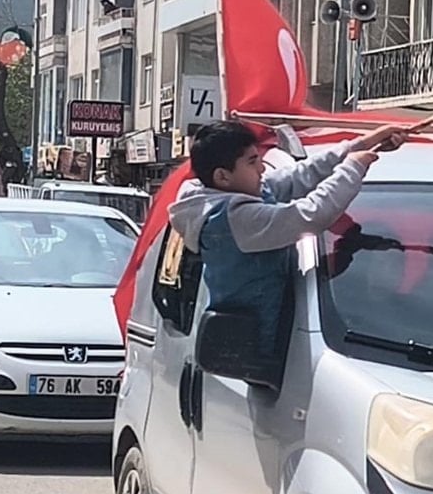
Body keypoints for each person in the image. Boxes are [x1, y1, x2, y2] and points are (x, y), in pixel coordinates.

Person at [168, 120, 408, 359]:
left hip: (281, 337)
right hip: (259, 354)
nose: (262, 169)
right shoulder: (234, 219)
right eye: (252, 162)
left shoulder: (235, 191)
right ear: (223, 176)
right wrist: (353, 168)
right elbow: (310, 215)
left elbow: (300, 176)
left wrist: (366, 144)